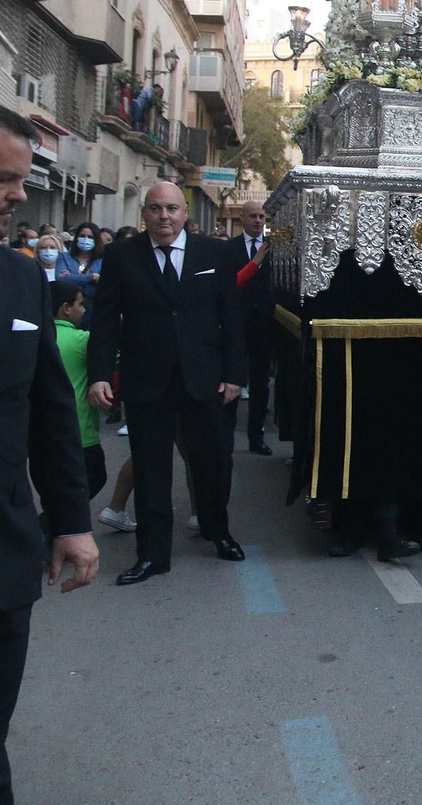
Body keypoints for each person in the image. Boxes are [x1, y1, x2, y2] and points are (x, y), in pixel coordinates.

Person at [0, 97, 99, 803]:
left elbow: (51, 413)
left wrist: (72, 521)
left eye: (23, 179)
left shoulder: (21, 278)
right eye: (3, 178)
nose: (21, 195)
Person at [86, 181, 247, 583]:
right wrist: (100, 375)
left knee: (213, 462)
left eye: (172, 209)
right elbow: (104, 322)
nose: (164, 217)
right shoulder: (122, 255)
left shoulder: (215, 253)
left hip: (205, 379)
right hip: (146, 381)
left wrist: (234, 375)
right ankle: (152, 554)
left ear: (184, 213)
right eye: (156, 208)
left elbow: (232, 317)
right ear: (144, 213)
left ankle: (218, 531)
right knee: (150, 467)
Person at [227, 200, 276, 456]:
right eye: (253, 216)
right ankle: (225, 437)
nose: (258, 221)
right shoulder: (229, 248)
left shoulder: (275, 248)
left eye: (262, 217)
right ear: (242, 218)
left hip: (263, 324)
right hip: (236, 322)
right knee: (232, 378)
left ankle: (256, 438)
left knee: (260, 383)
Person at [51, 282, 106, 501]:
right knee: (94, 478)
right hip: (80, 428)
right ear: (66, 308)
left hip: (42, 428)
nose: (83, 310)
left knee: (54, 486)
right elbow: (114, 356)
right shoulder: (83, 341)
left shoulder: (37, 338)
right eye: (80, 304)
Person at [56, 220, 102, 327]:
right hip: (69, 309)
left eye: (90, 237)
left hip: (93, 310)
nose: (86, 239)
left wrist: (72, 277)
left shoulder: (102, 260)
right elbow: (61, 279)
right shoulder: (64, 257)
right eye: (82, 236)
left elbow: (105, 282)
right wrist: (92, 276)